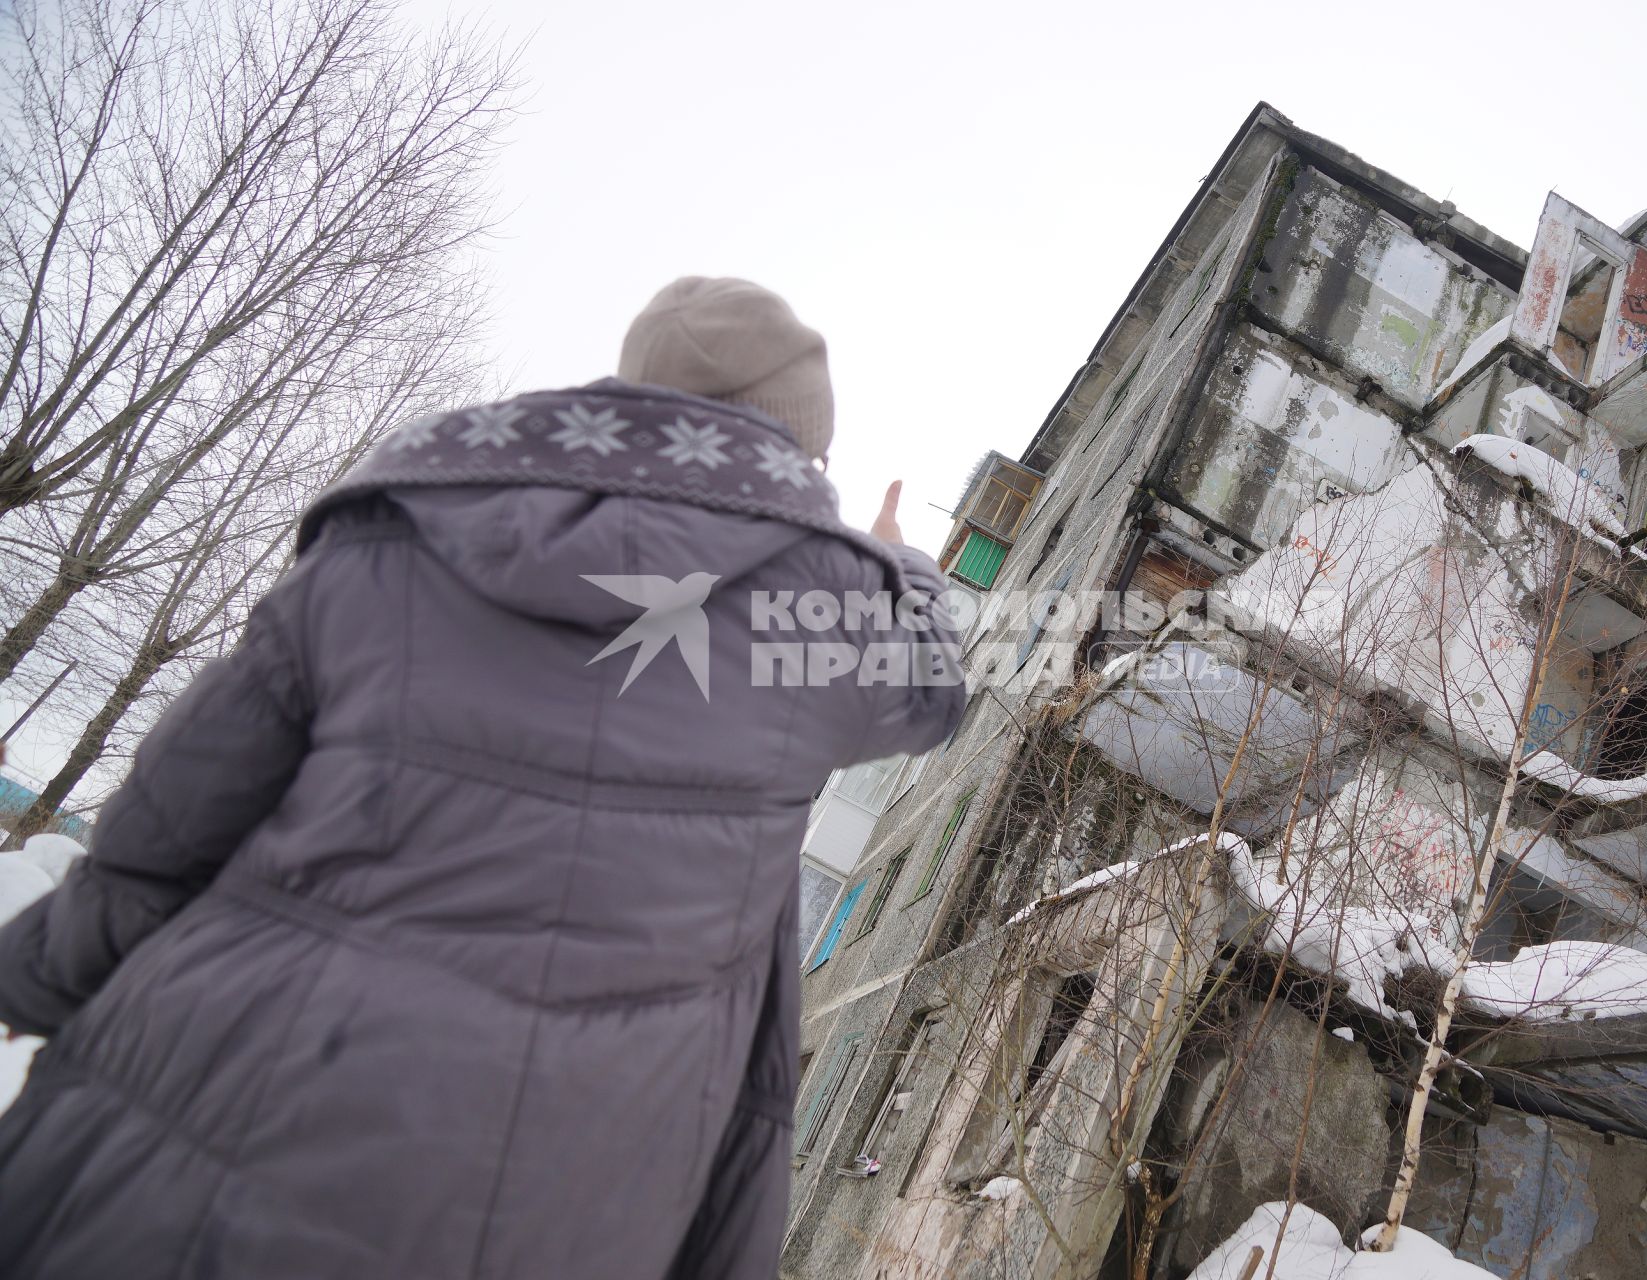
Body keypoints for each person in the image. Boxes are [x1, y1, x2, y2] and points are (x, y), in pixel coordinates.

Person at [0, 278, 968, 1278]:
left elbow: (171, 818)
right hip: (546, 1201)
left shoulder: (406, 524)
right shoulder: (827, 608)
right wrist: (906, 571)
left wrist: (45, 971)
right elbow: (937, 687)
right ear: (801, 448)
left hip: (169, 1114)